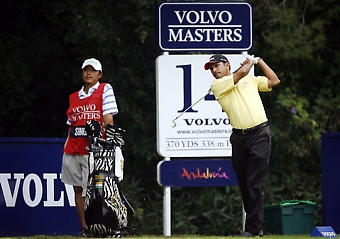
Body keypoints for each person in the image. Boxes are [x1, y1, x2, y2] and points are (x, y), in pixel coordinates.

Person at [204, 54, 280, 237]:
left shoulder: (250, 81)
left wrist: (260, 61)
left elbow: (274, 80)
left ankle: (253, 230)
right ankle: (255, 227)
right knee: (245, 184)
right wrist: (249, 63)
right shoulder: (218, 85)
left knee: (255, 183)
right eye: (212, 68)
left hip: (260, 134)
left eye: (217, 66)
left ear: (227, 65)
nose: (214, 70)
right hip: (239, 138)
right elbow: (239, 75)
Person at [61, 58, 119, 237]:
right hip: (72, 147)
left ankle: (101, 226)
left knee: (95, 190)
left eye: (93, 70)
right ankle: (85, 228)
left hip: (94, 149)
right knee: (78, 188)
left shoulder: (105, 89)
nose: (88, 73)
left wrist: (109, 140)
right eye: (86, 70)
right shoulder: (73, 97)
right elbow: (71, 123)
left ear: (99, 74)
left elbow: (108, 116)